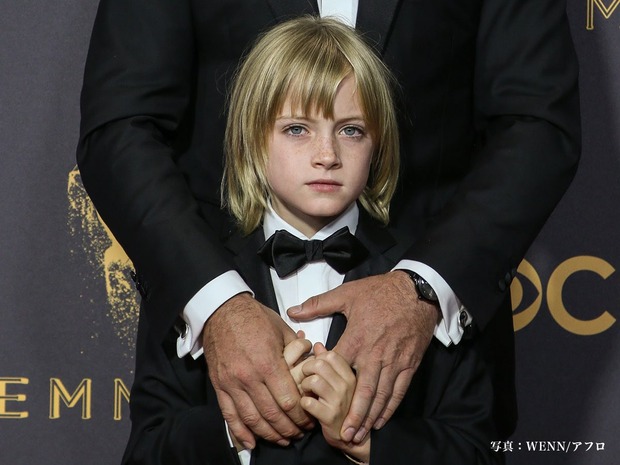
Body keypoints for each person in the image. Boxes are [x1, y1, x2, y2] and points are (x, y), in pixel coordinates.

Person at [77, 0, 580, 450]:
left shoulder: (449, 330)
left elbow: (536, 122)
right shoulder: (186, 317)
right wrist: (215, 306)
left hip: (429, 300)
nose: (326, 155)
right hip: (214, 281)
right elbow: (122, 123)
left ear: (377, 140)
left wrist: (425, 288)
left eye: (352, 130)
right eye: (297, 129)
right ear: (253, 135)